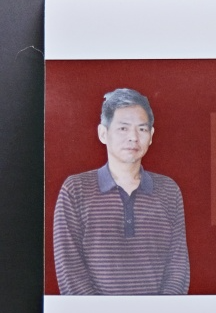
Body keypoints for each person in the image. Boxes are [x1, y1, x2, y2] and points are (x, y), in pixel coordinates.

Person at [53, 88, 190, 295]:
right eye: (123, 128)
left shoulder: (169, 191)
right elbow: (69, 271)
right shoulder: (75, 190)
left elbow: (178, 268)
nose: (133, 137)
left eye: (142, 129)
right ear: (103, 133)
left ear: (151, 136)